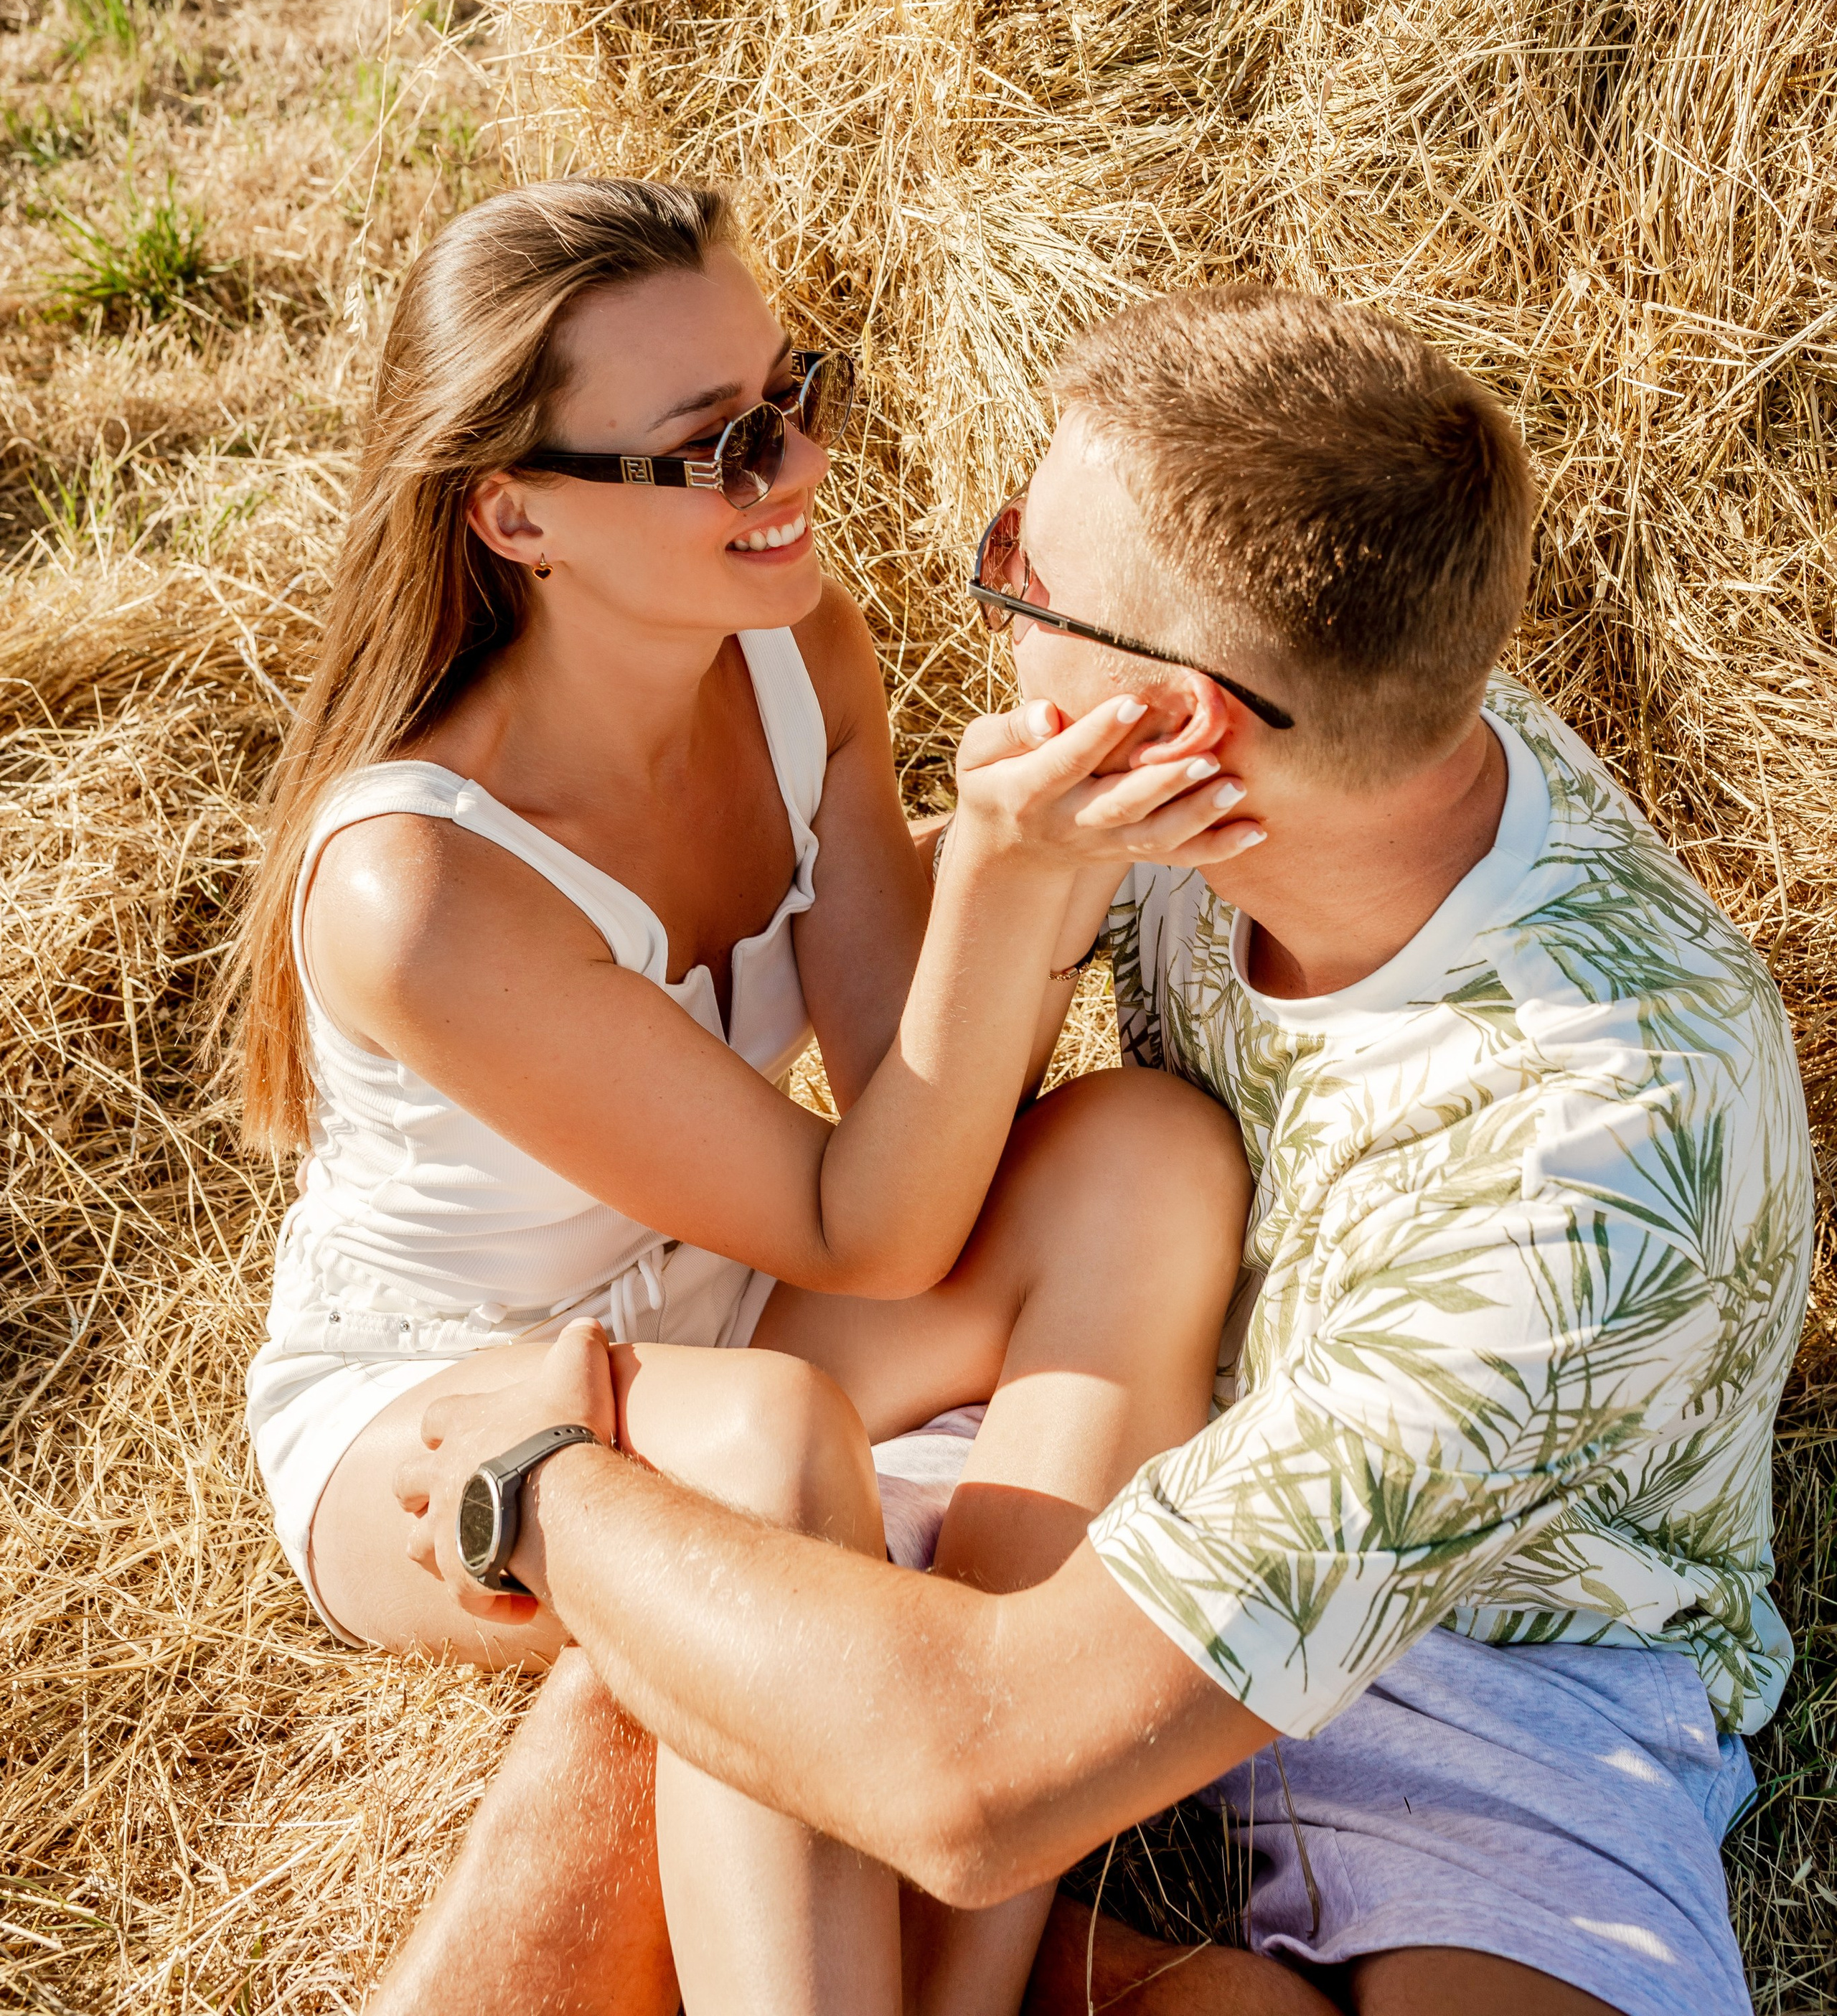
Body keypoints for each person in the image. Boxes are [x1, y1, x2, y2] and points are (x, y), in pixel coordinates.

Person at [395, 283, 1810, 2016]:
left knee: (798, 1680)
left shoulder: (1583, 1178)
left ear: (1175, 725)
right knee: (716, 1652)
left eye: (1017, 575)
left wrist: (544, 1481)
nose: (982, 586)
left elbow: (971, 1781)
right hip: (1129, 1390)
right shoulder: (1309, 750)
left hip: (1509, 1638)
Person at [229, 177, 1264, 2016]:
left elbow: (904, 1105)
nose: (787, 473)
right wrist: (1010, 878)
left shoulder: (797, 647)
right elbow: (865, 1215)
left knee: (1148, 1162)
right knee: (770, 1450)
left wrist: (1057, 849)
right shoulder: (418, 887)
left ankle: (984, 1845)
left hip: (742, 1303)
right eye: (713, 447)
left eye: (796, 398)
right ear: (512, 510)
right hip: (459, 1410)